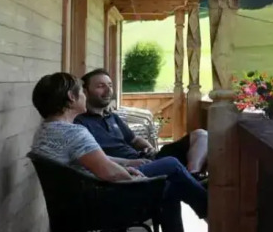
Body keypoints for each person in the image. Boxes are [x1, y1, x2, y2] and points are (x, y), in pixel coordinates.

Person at [30, 72, 208, 232]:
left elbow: (97, 160)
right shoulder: (73, 132)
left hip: (80, 204)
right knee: (171, 165)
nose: (84, 96)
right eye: (81, 92)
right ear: (71, 97)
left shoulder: (47, 130)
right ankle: (210, 210)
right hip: (100, 205)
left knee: (169, 186)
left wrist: (128, 164)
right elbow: (110, 173)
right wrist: (133, 176)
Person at [75, 69, 208, 177]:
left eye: (110, 85)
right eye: (100, 86)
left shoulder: (112, 117)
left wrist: (149, 148)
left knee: (201, 135)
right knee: (171, 162)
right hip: (129, 168)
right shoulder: (80, 123)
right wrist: (129, 162)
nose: (108, 90)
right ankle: (194, 182)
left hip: (145, 158)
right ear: (85, 92)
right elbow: (93, 158)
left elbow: (134, 140)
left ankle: (193, 174)